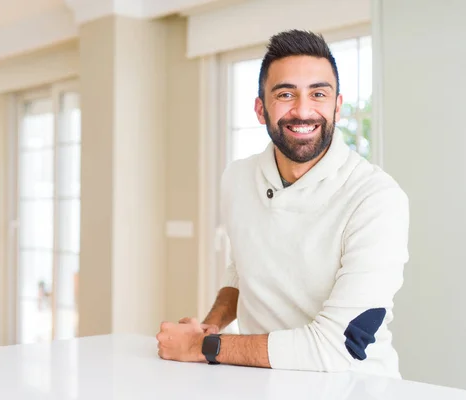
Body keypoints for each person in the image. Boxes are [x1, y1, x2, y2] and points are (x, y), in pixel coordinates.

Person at [156, 29, 409, 379]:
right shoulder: (237, 179)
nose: (303, 110)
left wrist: (203, 349)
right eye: (285, 94)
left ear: (337, 106)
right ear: (261, 108)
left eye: (318, 94)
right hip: (262, 381)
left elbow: (339, 347)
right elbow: (241, 266)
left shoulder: (376, 198)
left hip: (355, 388)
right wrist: (210, 327)